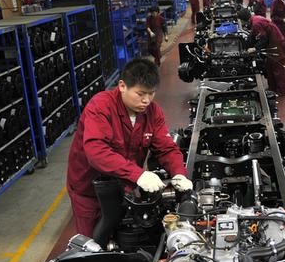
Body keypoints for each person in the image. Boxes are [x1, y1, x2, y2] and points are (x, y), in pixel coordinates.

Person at [66, 59, 192, 238]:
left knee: (124, 235)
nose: (146, 100)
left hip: (124, 187)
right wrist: (138, 174)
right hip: (90, 191)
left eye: (151, 93)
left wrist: (178, 172)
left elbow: (166, 149)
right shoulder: (100, 106)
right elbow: (96, 151)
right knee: (91, 244)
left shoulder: (153, 112)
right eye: (140, 93)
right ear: (122, 86)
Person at [237, 8, 285, 96]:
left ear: (244, 19)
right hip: (271, 41)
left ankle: (280, 91)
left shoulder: (256, 23)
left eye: (241, 21)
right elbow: (253, 35)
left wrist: (255, 48)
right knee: (269, 66)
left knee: (277, 68)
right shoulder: (254, 19)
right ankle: (272, 88)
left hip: (276, 42)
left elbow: (263, 38)